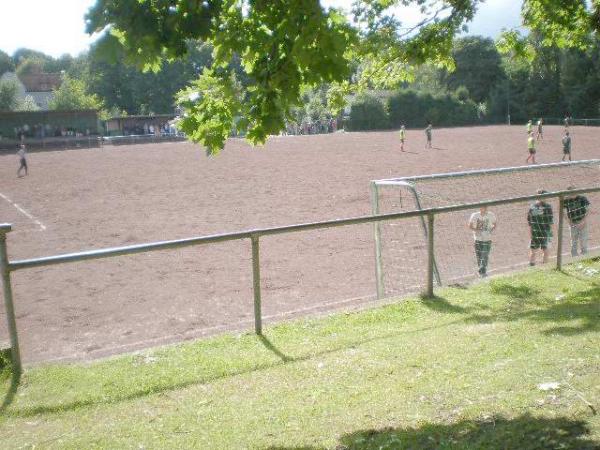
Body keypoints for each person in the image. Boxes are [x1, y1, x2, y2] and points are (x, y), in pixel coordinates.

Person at [468, 206, 497, 277]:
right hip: (477, 239)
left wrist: (490, 230)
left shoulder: (491, 215)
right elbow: (470, 225)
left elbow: (495, 224)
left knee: (485, 255)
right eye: (483, 207)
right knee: (479, 255)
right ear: (480, 208)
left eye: (486, 207)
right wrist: (476, 230)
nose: (485, 209)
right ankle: (481, 270)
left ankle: (482, 272)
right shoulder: (474, 215)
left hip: (487, 238)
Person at [527, 189, 554, 265]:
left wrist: (530, 233)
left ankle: (531, 267)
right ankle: (544, 266)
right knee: (546, 251)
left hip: (535, 232)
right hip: (545, 232)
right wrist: (551, 233)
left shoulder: (532, 207)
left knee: (533, 251)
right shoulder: (548, 207)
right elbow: (550, 221)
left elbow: (529, 222)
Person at [564, 186, 590, 257]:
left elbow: (588, 210)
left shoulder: (582, 198)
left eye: (574, 192)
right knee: (573, 240)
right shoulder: (566, 200)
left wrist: (583, 221)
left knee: (583, 239)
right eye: (571, 193)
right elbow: (563, 212)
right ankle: (574, 256)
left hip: (582, 222)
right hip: (572, 222)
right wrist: (569, 222)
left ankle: (585, 255)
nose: (573, 194)